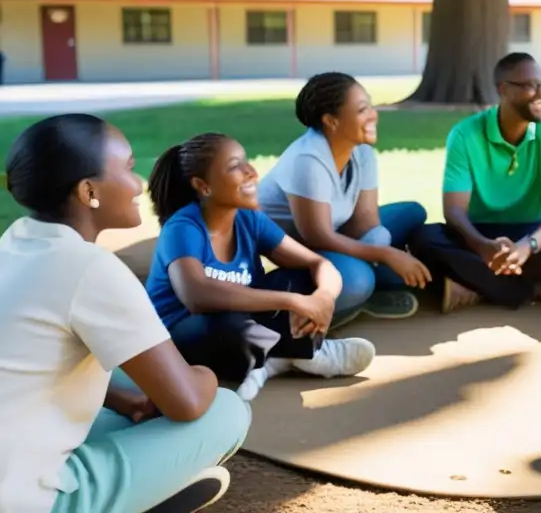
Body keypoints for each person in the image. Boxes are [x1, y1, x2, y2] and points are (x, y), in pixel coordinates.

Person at [0, 114, 251, 513]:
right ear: (88, 191)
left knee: (118, 376)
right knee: (224, 410)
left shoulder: (12, 244)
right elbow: (185, 401)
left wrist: (121, 400)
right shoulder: (89, 268)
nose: (139, 185)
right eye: (130, 168)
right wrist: (203, 374)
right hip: (22, 499)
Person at [146, 133, 376, 402]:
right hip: (184, 333)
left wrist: (322, 297)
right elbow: (197, 296)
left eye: (246, 161)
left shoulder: (249, 219)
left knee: (302, 279)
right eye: (234, 166)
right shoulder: (183, 227)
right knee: (229, 326)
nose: (251, 172)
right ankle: (305, 354)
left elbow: (318, 262)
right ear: (203, 185)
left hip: (245, 322)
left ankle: (272, 361)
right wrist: (293, 302)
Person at [410, 53, 541, 313]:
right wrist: (481, 246)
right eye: (530, 86)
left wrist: (527, 246)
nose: (540, 93)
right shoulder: (465, 135)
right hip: (477, 233)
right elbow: (454, 210)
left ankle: (474, 288)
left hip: (531, 233)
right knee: (424, 238)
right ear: (503, 89)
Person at [258, 72, 430, 323]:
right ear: (332, 121)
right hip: (299, 250)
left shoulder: (362, 152)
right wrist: (385, 255)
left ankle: (367, 291)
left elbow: (365, 221)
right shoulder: (308, 159)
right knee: (359, 281)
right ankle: (351, 300)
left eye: (371, 106)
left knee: (413, 213)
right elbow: (317, 237)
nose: (374, 115)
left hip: (335, 235)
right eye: (362, 110)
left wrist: (378, 244)